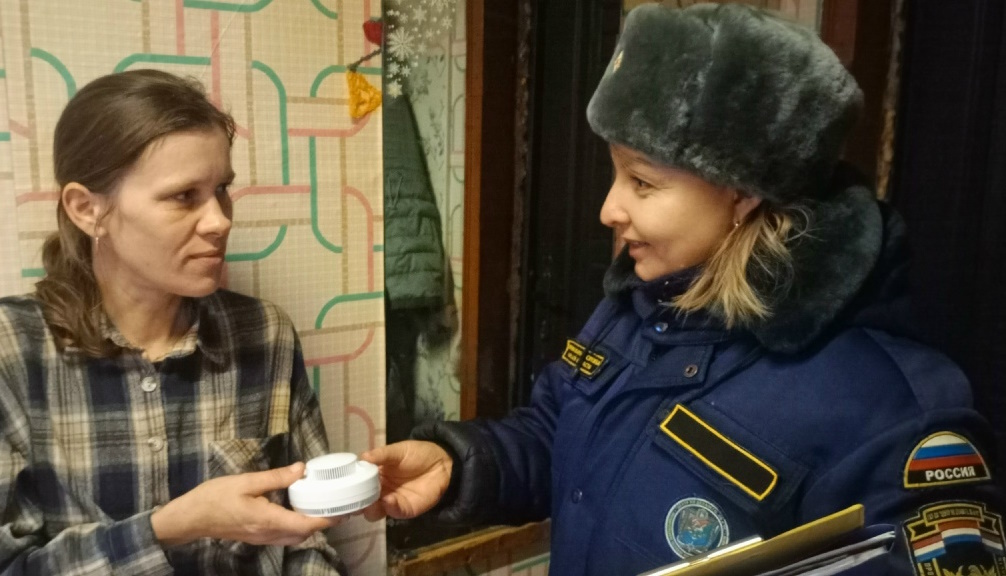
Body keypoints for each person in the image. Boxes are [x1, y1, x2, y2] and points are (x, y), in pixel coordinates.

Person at [360, 4, 1005, 575]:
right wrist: (460, 465)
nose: (608, 210)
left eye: (642, 183)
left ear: (743, 192)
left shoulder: (894, 412)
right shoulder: (641, 305)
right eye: (615, 174)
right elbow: (563, 432)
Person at [0, 70, 345, 575]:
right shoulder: (14, 352)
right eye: (184, 196)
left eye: (222, 189)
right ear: (87, 209)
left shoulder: (264, 334)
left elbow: (307, 534)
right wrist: (168, 527)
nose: (220, 221)